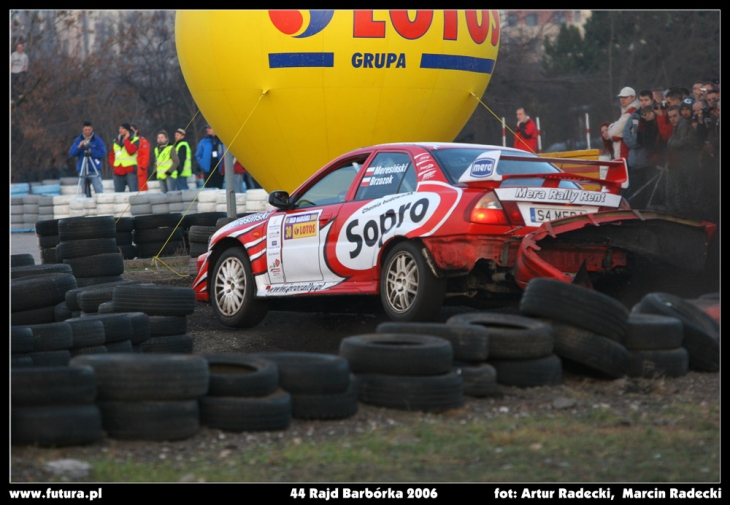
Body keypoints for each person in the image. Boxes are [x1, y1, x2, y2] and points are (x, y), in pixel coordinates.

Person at [666, 105, 701, 219]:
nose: (672, 119)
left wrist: (671, 143)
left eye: (675, 116)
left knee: (690, 195)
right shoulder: (677, 127)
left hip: (688, 164)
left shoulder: (683, 125)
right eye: (670, 117)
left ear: (680, 115)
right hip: (682, 165)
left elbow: (681, 143)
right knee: (682, 194)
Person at [68, 121, 105, 197]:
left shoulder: (97, 140)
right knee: (84, 193)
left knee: (99, 190)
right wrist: (79, 146)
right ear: (83, 129)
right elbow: (72, 153)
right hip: (82, 169)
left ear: (92, 129)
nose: (87, 131)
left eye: (89, 130)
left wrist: (92, 151)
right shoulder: (78, 140)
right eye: (86, 130)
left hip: (94, 169)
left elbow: (102, 153)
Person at [607, 86, 639, 161]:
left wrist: (613, 131)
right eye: (621, 97)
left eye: (625, 97)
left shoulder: (630, 113)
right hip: (623, 153)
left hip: (625, 153)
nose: (622, 99)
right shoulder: (626, 112)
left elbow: (613, 133)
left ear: (633, 97)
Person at [108, 122, 140, 193]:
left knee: (134, 192)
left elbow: (131, 151)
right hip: (118, 171)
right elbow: (112, 154)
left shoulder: (135, 139)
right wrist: (113, 165)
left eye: (122, 128)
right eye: (120, 128)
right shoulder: (116, 140)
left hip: (130, 170)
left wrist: (126, 140)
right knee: (118, 194)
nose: (120, 130)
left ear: (127, 130)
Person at [195, 124, 225, 189]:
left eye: (210, 128)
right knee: (209, 188)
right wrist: (202, 164)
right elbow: (198, 155)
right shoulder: (204, 142)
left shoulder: (222, 141)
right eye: (207, 128)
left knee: (219, 188)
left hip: (219, 170)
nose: (207, 129)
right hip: (208, 169)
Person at [130, 124, 150, 191]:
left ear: (136, 130)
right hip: (131, 167)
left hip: (140, 167)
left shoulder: (143, 141)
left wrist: (142, 167)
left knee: (142, 186)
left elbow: (145, 155)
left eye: (132, 130)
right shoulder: (128, 141)